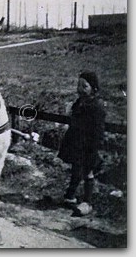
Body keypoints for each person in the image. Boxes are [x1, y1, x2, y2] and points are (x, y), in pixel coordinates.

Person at [58, 70, 106, 215]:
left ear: (93, 88)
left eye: (84, 86)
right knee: (76, 167)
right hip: (76, 142)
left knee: (88, 171)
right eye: (78, 85)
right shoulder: (79, 103)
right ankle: (70, 196)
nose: (80, 89)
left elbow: (98, 131)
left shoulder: (97, 106)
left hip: (88, 145)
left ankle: (87, 202)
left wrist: (94, 147)